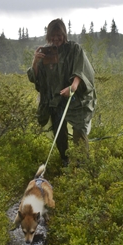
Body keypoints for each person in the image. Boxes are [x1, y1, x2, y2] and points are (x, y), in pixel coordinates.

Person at [27, 18, 96, 166]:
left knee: (79, 130)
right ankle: (65, 160)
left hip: (75, 99)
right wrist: (35, 61)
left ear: (64, 34)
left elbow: (81, 69)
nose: (56, 39)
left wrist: (73, 86)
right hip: (56, 100)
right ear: (48, 35)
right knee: (60, 132)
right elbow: (35, 77)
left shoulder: (74, 49)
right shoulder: (45, 52)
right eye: (53, 35)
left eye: (59, 35)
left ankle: (82, 165)